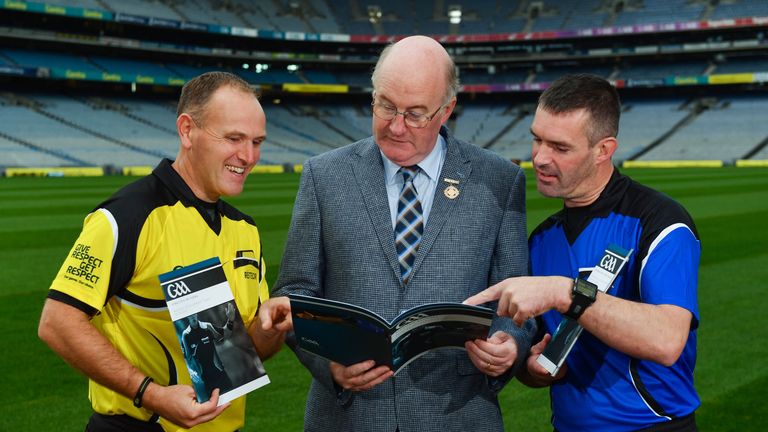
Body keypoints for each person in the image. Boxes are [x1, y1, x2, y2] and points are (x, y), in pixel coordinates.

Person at [262, 35, 534, 431]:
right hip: (348, 418)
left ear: (446, 110)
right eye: (385, 105)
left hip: (458, 416)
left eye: (415, 114)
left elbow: (517, 295)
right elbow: (295, 292)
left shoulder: (500, 180)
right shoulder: (324, 175)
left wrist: (509, 343)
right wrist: (328, 362)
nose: (395, 126)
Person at [37, 71, 288, 432]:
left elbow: (241, 354)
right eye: (234, 138)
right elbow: (57, 322)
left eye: (257, 142)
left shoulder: (244, 230)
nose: (248, 156)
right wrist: (150, 393)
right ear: (187, 130)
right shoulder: (129, 216)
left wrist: (271, 328)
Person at [465, 74, 701, 431]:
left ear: (603, 150)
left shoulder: (659, 221)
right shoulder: (543, 239)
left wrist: (565, 292)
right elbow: (540, 355)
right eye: (537, 139)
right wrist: (529, 366)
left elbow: (667, 340)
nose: (539, 158)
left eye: (560, 148)